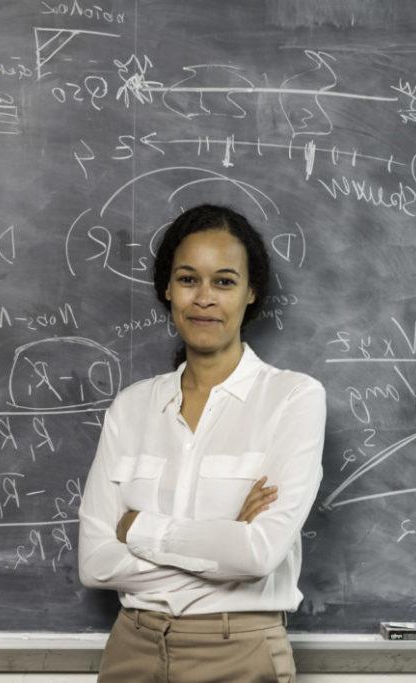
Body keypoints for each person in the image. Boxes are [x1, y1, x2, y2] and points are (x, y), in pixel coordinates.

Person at [78, 204, 326, 682]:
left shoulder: (293, 398)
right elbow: (95, 563)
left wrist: (140, 529)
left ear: (251, 293)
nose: (204, 298)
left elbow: (257, 555)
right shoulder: (131, 408)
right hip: (132, 648)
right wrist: (222, 540)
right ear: (168, 289)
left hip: (239, 653)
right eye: (189, 279)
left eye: (225, 282)